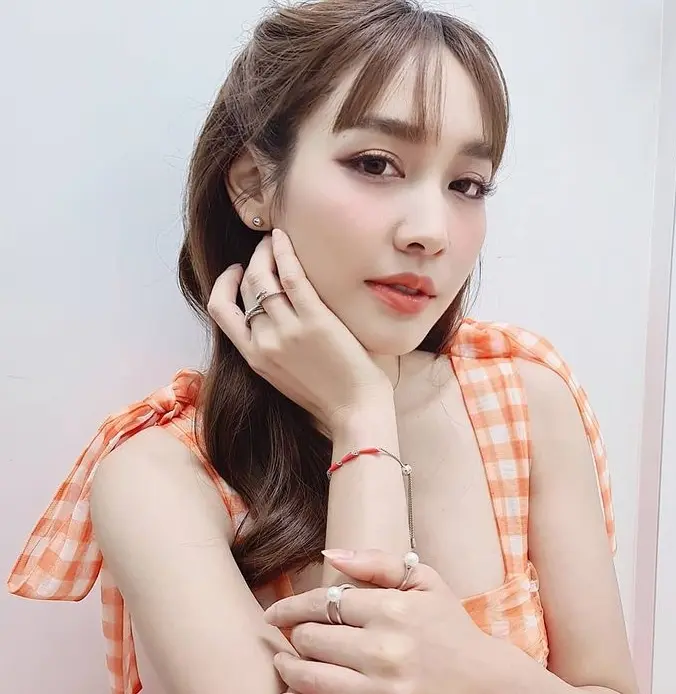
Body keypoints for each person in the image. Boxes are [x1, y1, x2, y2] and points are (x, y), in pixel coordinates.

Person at [7, 1, 639, 693]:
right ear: (254, 186)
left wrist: (472, 670)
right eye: (375, 163)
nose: (431, 231)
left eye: (466, 184)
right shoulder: (161, 478)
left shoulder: (526, 402)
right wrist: (361, 416)